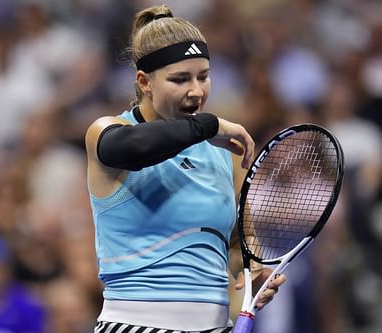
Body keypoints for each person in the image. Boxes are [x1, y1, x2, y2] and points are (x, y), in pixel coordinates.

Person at [85, 5, 286, 332]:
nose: (196, 90)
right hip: (134, 324)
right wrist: (211, 125)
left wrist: (251, 268)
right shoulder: (106, 132)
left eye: (203, 76)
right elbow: (135, 147)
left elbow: (233, 243)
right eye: (180, 79)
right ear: (144, 82)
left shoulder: (222, 152)